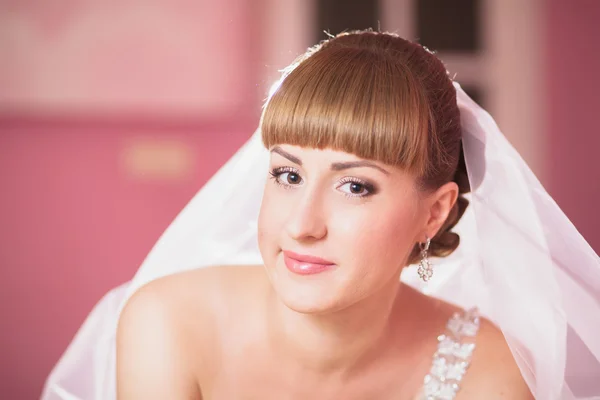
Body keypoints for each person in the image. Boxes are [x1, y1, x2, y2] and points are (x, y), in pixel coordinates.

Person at [42, 30, 600, 400]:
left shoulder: (489, 374)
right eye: (288, 175)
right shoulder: (170, 323)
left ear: (434, 214)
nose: (302, 224)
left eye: (355, 186)